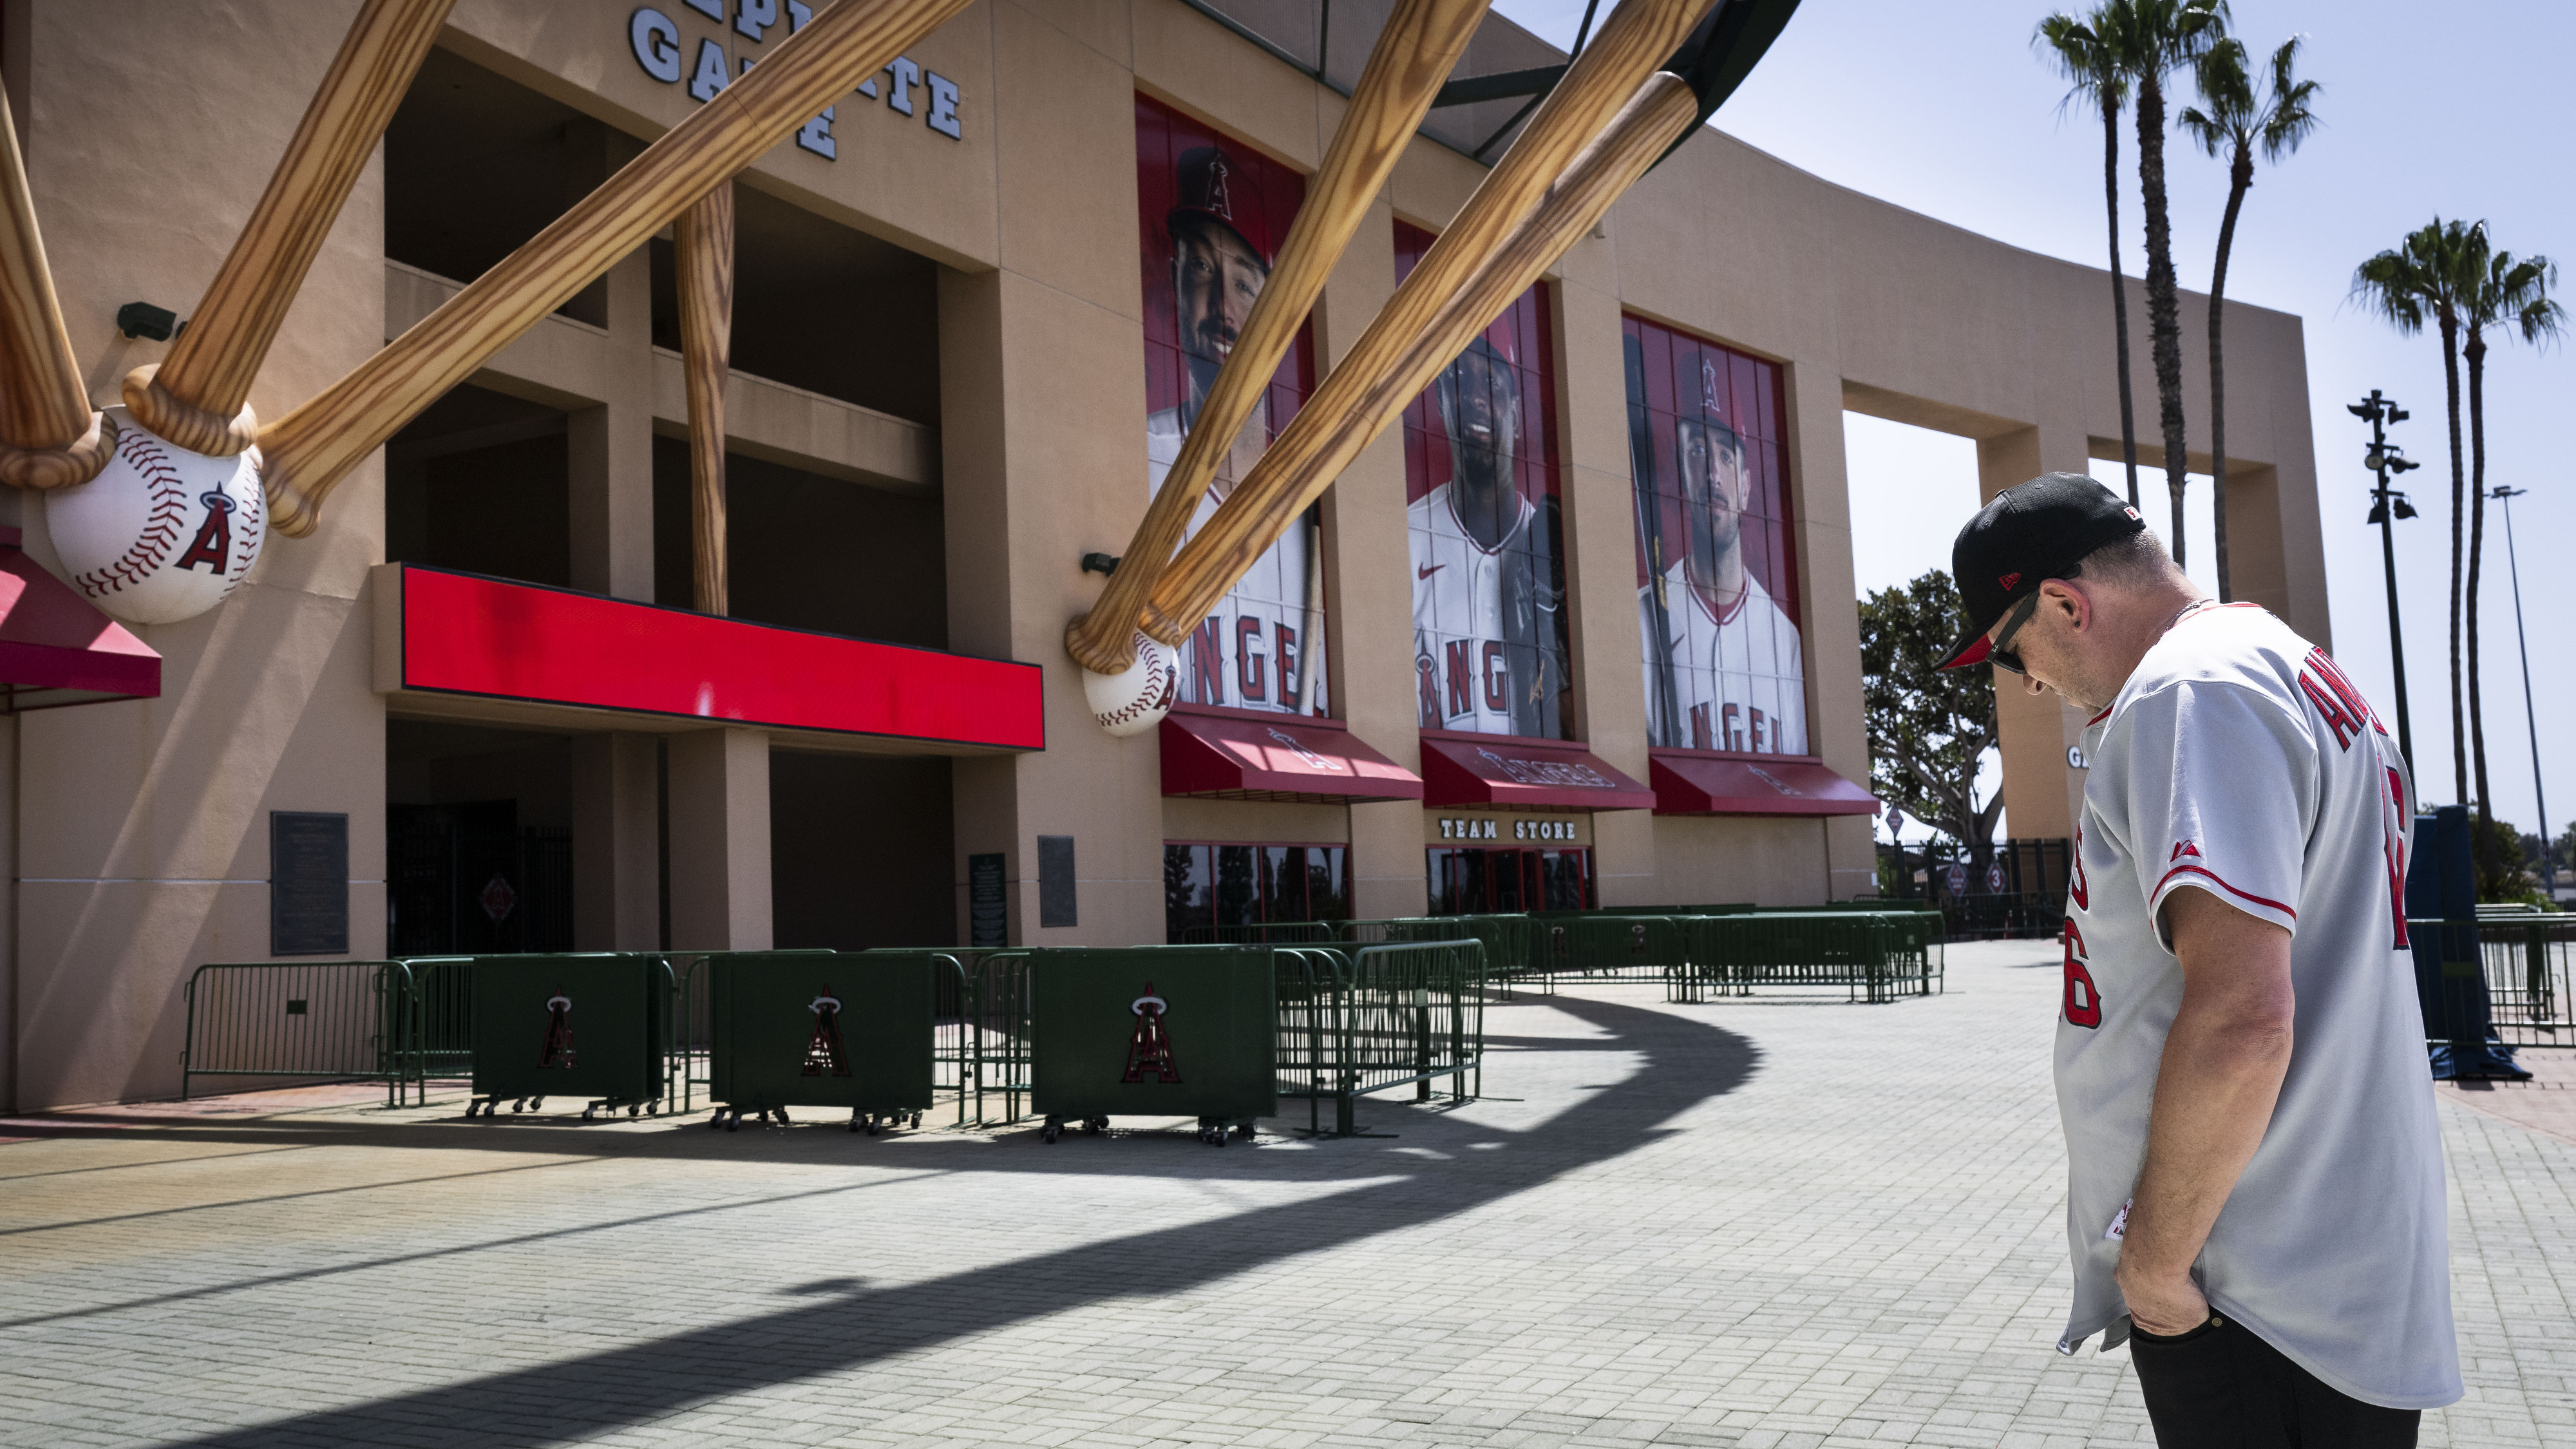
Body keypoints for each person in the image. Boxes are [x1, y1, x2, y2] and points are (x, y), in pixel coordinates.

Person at [1937, 473, 2459, 1445]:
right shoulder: (2287, 664)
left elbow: (2243, 1019)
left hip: (2261, 1288)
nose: (2031, 681)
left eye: (2014, 655)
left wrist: (2155, 1268)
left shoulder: (2190, 690)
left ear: (2064, 603)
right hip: (2322, 1266)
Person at [1144, 144, 1322, 715]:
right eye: (1200, 266)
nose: (1222, 306)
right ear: (1174, 279)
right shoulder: (1129, 459)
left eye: (1245, 284)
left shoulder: (1316, 504)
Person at [1634, 357, 1805, 754]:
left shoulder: (1785, 640)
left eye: (1726, 455)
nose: (1712, 472)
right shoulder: (1643, 618)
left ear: (1746, 489)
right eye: (1696, 450)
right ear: (1682, 478)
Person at [1408, 330, 1568, 739]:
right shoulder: (1404, 538)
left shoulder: (1551, 551)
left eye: (1492, 382)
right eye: (1459, 378)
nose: (1476, 396)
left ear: (1516, 414)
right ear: (1442, 403)